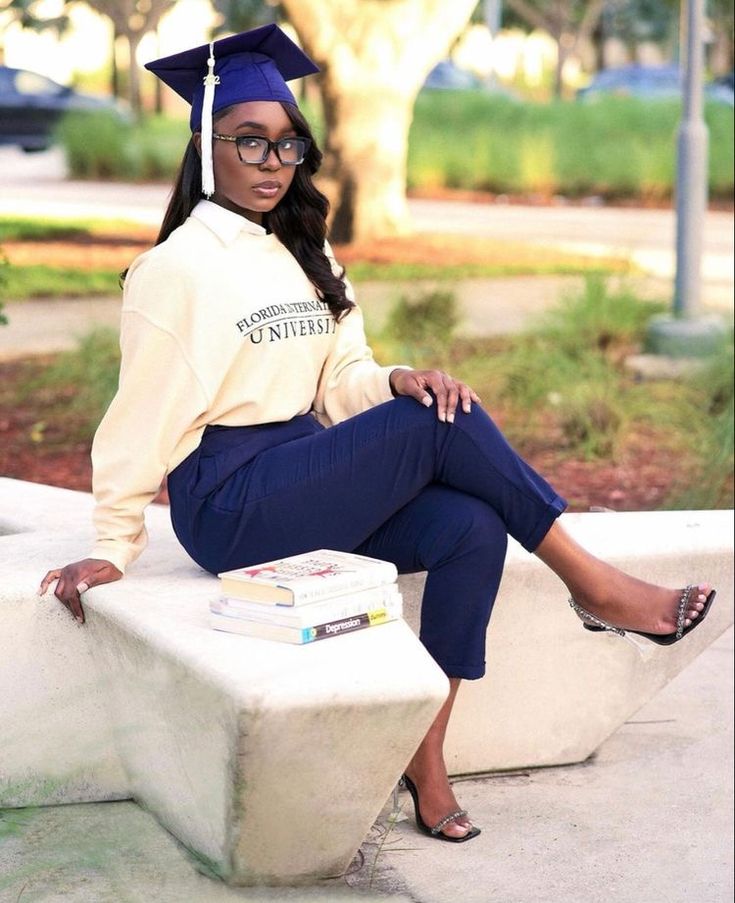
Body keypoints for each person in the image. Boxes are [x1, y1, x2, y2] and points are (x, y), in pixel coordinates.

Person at [39, 24, 715, 844]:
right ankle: (592, 582)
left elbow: (340, 378)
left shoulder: (303, 245)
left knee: (468, 525)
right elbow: (138, 411)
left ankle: (424, 753)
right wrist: (114, 541)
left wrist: (394, 378)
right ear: (205, 142)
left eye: (288, 146)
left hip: (300, 469)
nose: (270, 163)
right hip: (229, 500)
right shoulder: (175, 269)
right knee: (436, 424)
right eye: (249, 142)